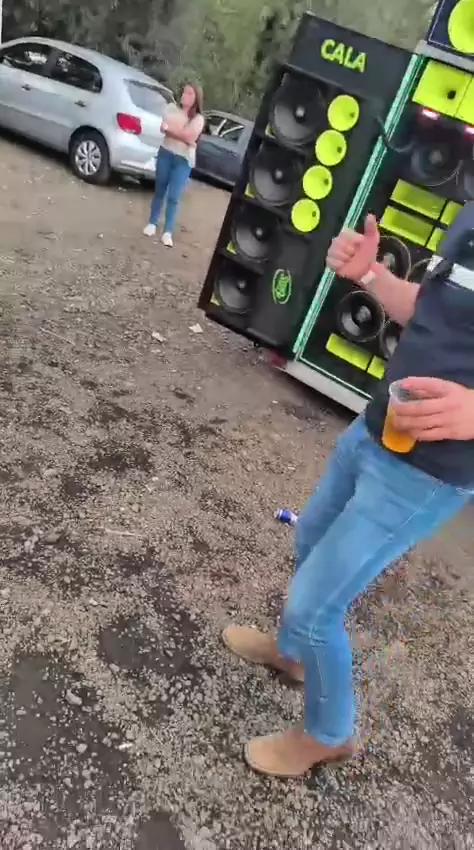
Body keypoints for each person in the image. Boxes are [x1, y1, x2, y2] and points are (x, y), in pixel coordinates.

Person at [222, 210, 474, 778]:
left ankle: (328, 734)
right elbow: (434, 310)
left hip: (428, 472)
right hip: (377, 427)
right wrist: (371, 275)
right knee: (310, 536)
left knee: (314, 607)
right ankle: (292, 655)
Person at [144, 81, 204, 248]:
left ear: (196, 98)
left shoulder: (198, 119)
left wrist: (174, 131)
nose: (185, 95)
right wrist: (183, 135)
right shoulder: (171, 109)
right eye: (184, 92)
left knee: (174, 196)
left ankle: (168, 231)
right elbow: (165, 128)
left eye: (190, 93)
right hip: (166, 152)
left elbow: (189, 135)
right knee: (160, 189)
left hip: (183, 159)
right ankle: (152, 223)